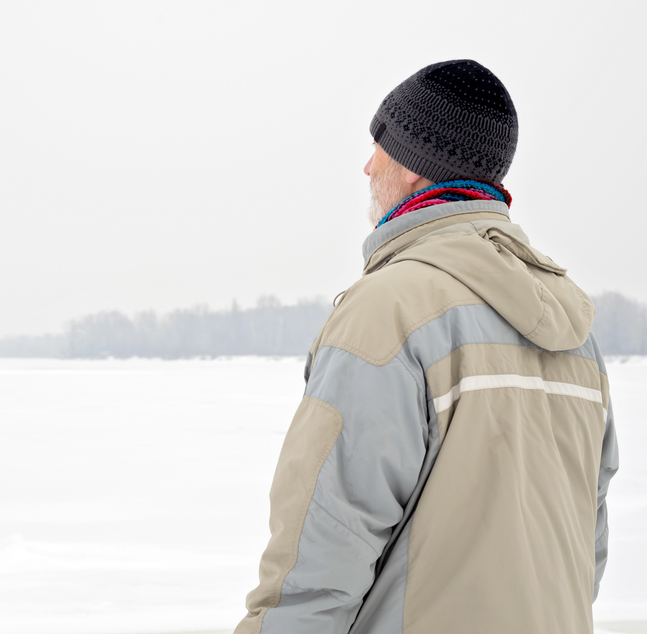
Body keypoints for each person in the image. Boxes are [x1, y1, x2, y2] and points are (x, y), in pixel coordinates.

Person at [234, 59, 619, 634]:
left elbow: (321, 557)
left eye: (380, 144)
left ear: (417, 164)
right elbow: (582, 552)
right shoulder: (574, 329)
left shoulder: (389, 312)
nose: (368, 164)